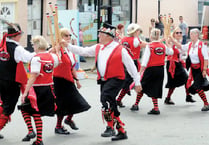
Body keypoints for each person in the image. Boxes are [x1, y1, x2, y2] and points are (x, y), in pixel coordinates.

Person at [60, 22, 142, 141]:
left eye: (100, 34)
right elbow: (84, 51)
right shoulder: (98, 47)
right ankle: (121, 131)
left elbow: (131, 66)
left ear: (108, 36)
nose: (98, 36)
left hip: (116, 79)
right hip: (104, 80)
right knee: (110, 104)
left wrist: (137, 82)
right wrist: (67, 45)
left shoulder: (120, 49)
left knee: (105, 99)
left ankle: (110, 127)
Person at [18, 35, 59, 145]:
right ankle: (33, 134)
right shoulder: (52, 57)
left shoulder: (36, 58)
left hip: (37, 89)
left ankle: (36, 136)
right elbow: (54, 65)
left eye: (33, 44)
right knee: (30, 111)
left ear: (37, 45)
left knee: (28, 110)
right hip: (49, 88)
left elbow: (33, 76)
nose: (33, 47)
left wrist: (25, 92)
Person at [0, 23, 35, 139]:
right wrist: (43, 52)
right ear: (17, 35)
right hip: (11, 82)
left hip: (1, 80)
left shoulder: (1, 45)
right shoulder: (17, 48)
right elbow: (29, 58)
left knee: (2, 104)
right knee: (8, 108)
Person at [53, 28, 90, 135]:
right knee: (62, 104)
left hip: (69, 80)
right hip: (59, 80)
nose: (68, 38)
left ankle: (68, 119)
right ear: (61, 37)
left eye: (70, 36)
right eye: (66, 36)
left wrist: (77, 80)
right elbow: (50, 57)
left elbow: (72, 67)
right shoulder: (57, 50)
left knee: (76, 102)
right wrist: (55, 49)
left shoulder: (70, 51)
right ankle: (58, 126)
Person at [130, 28, 173, 115]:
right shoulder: (163, 46)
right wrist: (167, 43)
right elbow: (171, 52)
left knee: (141, 86)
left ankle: (136, 104)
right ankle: (155, 107)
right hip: (160, 69)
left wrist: (140, 72)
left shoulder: (149, 47)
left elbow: (145, 61)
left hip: (150, 69)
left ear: (151, 36)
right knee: (155, 87)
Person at [116, 23, 147, 108]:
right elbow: (146, 45)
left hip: (123, 63)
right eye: (138, 31)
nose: (139, 32)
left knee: (127, 82)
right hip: (133, 62)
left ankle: (119, 100)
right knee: (137, 81)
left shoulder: (123, 39)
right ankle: (135, 103)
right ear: (136, 31)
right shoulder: (135, 40)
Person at [164, 27, 195, 105]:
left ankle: (187, 96)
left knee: (184, 79)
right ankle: (169, 98)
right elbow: (169, 50)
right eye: (177, 33)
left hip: (178, 63)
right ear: (174, 34)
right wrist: (168, 40)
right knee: (174, 82)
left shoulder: (179, 42)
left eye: (180, 33)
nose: (179, 34)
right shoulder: (170, 41)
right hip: (172, 64)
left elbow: (181, 51)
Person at [182, 28, 209, 111]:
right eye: (190, 34)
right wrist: (172, 40)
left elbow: (206, 58)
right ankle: (206, 103)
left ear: (196, 35)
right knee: (196, 87)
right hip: (193, 69)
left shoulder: (202, 45)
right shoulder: (190, 44)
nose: (190, 35)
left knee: (197, 87)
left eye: (192, 34)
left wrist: (204, 70)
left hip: (200, 69)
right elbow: (181, 47)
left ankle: (206, 104)